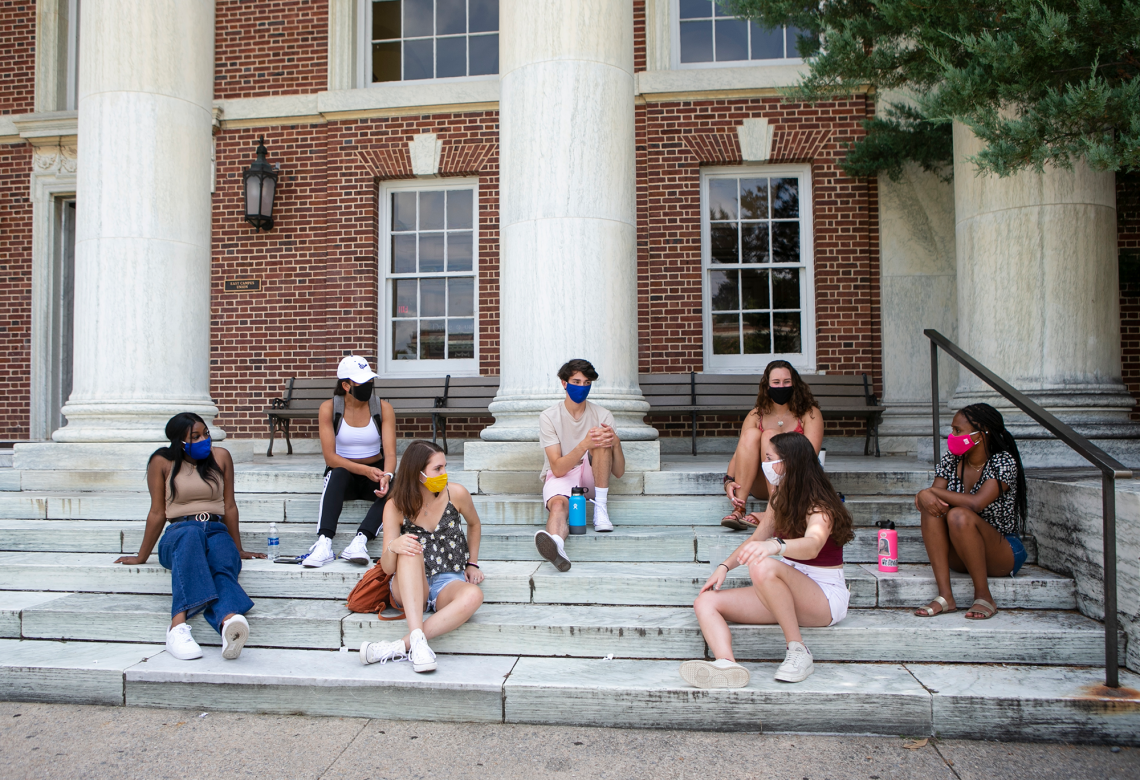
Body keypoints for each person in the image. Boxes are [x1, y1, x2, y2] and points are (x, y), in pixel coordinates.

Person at [681, 432, 853, 687]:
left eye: (770, 458)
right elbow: (757, 538)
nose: (766, 464)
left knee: (763, 565)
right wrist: (724, 566)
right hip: (783, 590)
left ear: (789, 463)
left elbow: (813, 545)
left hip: (824, 598)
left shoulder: (821, 505)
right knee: (705, 602)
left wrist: (776, 545)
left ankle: (798, 651)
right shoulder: (779, 496)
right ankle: (726, 664)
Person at [114, 413, 265, 660]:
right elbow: (156, 511)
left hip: (215, 530)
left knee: (222, 561)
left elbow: (229, 506)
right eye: (195, 437)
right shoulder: (162, 462)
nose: (204, 439)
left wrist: (238, 549)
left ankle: (229, 622)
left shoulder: (221, 457)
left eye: (205, 433)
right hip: (178, 534)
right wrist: (142, 556)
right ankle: (177, 627)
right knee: (192, 534)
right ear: (179, 442)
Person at [359, 440, 485, 672]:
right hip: (409, 583)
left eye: (444, 466)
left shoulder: (456, 494)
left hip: (447, 582)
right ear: (417, 474)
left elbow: (474, 524)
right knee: (409, 548)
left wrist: (472, 563)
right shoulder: (395, 506)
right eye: (437, 469)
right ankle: (417, 646)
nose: (444, 473)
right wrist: (393, 547)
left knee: (473, 595)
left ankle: (401, 646)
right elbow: (387, 569)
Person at [914, 403, 1027, 620]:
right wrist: (927, 495)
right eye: (952, 429)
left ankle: (984, 596)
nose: (952, 435)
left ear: (981, 435)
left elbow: (976, 503)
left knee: (959, 514)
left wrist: (928, 491)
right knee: (931, 510)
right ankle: (945, 596)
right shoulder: (952, 459)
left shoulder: (1002, 461)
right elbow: (933, 498)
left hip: (1002, 552)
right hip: (961, 550)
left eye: (958, 431)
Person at [302, 355, 397, 568]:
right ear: (346, 385)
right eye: (362, 382)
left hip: (375, 475)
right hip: (344, 477)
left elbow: (390, 454)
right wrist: (365, 470)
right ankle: (324, 542)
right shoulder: (329, 408)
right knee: (338, 472)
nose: (368, 386)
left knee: (396, 486)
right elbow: (330, 457)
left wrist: (387, 476)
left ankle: (360, 540)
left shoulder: (383, 408)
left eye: (370, 381)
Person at [533, 359, 626, 572]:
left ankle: (600, 509)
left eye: (586, 383)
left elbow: (619, 472)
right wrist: (584, 443)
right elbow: (557, 468)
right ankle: (557, 545)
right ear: (564, 383)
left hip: (592, 476)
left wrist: (616, 443)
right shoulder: (549, 416)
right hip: (561, 476)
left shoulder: (603, 415)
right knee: (557, 506)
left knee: (601, 441)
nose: (582, 387)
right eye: (576, 381)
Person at [721, 360, 823, 531]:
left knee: (769, 435)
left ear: (795, 384)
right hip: (763, 483)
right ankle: (739, 508)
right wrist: (728, 482)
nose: (781, 386)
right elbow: (738, 455)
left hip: (795, 480)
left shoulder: (809, 413)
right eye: (776, 382)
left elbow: (809, 457)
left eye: (786, 382)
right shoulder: (756, 415)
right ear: (767, 386)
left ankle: (776, 511)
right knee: (753, 434)